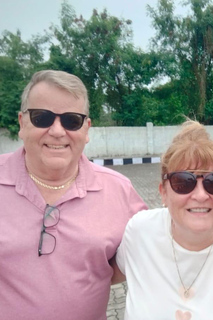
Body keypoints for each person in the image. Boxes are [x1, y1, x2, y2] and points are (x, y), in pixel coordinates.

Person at [0, 70, 147, 320]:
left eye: (71, 121)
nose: (57, 131)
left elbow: (150, 247)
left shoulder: (119, 190)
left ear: (86, 129)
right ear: (22, 122)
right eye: (42, 117)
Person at [115, 119, 213, 319]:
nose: (200, 195)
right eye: (183, 182)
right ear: (163, 192)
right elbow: (98, 274)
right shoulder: (140, 232)